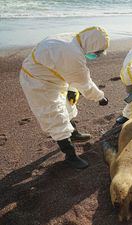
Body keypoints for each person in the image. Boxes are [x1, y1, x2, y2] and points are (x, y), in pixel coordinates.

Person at [19, 26, 110, 169]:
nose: (96, 56)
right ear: (92, 44)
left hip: (54, 76)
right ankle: (70, 155)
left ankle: (73, 133)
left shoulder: (74, 39)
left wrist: (71, 88)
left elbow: (70, 73)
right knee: (55, 116)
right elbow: (85, 84)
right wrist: (100, 97)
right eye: (97, 53)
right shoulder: (72, 55)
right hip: (38, 82)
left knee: (68, 105)